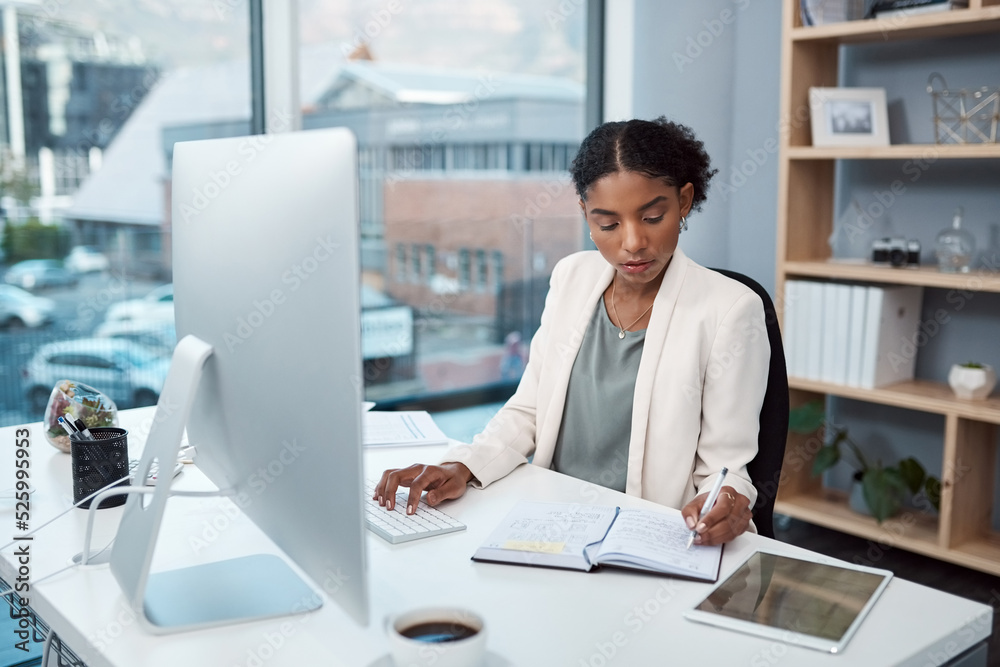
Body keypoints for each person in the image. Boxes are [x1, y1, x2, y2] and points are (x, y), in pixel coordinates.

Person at [374, 117, 770, 547]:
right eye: (608, 224)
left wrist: (725, 500)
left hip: (648, 541)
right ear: (585, 214)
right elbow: (528, 410)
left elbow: (725, 469)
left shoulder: (730, 309)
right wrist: (463, 466)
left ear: (685, 200)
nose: (633, 242)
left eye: (653, 216)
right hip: (550, 525)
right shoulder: (571, 278)